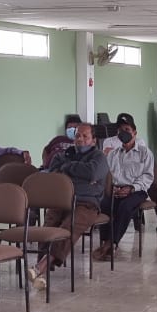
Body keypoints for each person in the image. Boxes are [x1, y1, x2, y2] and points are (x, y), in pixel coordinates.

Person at [30, 124, 109, 289]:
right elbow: (54, 176)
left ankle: (40, 267)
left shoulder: (99, 157)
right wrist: (81, 178)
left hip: (87, 203)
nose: (80, 139)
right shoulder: (63, 154)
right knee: (49, 226)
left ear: (94, 140)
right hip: (60, 200)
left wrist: (67, 169)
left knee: (68, 228)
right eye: (78, 135)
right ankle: (41, 275)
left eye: (85, 136)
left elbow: (93, 173)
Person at [96, 120, 155, 260]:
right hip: (116, 190)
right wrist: (112, 188)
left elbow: (148, 176)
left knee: (125, 206)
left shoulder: (144, 153)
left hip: (137, 190)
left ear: (135, 133)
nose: (123, 133)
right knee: (104, 204)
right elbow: (107, 175)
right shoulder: (113, 154)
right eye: (120, 131)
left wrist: (131, 188)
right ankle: (105, 241)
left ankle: (112, 244)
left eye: (127, 129)